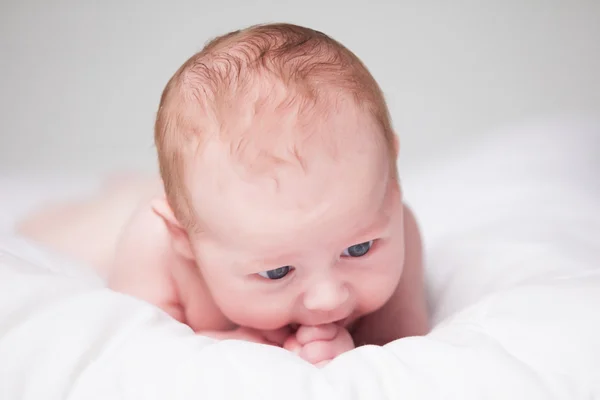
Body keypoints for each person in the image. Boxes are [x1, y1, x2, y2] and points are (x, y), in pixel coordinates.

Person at [17, 22, 430, 367]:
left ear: (392, 185)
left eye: (358, 249)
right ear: (185, 240)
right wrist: (243, 347)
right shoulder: (157, 248)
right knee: (68, 231)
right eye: (276, 272)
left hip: (215, 212)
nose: (328, 298)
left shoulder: (398, 228)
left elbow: (399, 346)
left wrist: (349, 354)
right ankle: (120, 192)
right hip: (126, 226)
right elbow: (141, 354)